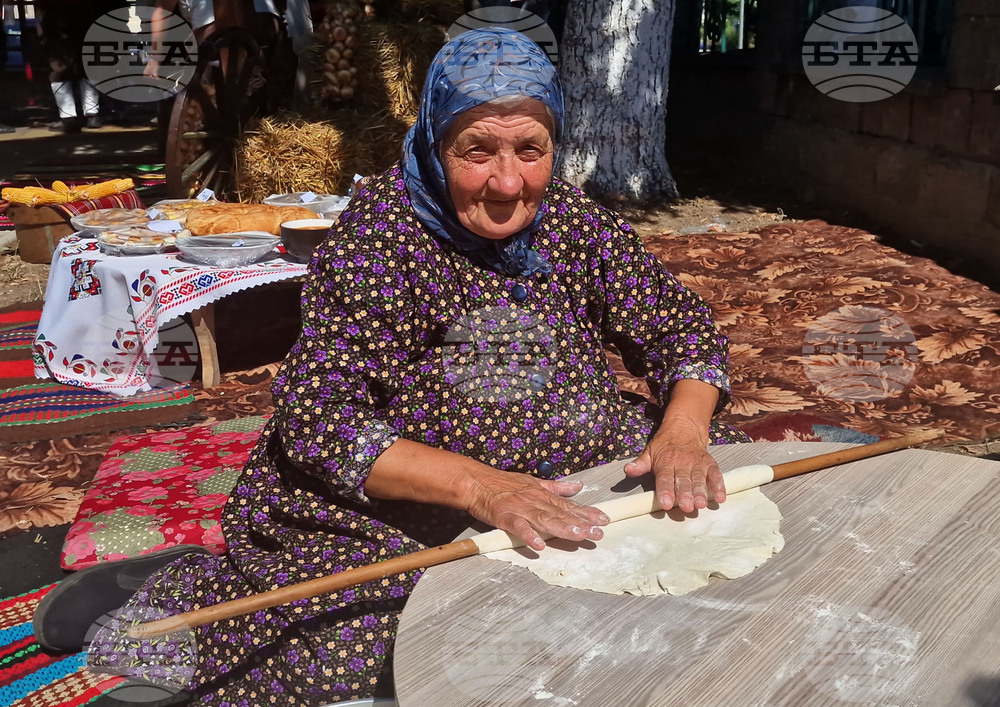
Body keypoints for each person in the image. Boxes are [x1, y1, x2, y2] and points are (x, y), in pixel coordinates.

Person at [35, 28, 749, 705]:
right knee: (380, 642)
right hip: (409, 506)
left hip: (574, 470)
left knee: (708, 541)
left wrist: (683, 434)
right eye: (477, 151)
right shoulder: (379, 240)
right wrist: (479, 486)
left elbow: (679, 328)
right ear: (435, 144)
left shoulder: (573, 219)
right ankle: (186, 590)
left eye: (530, 150)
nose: (508, 183)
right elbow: (321, 419)